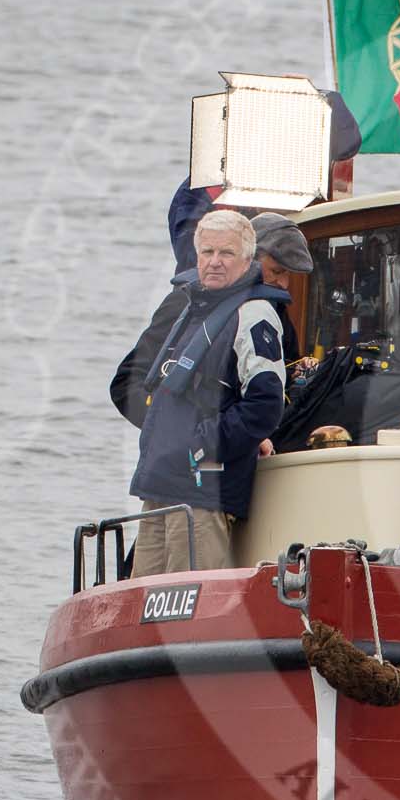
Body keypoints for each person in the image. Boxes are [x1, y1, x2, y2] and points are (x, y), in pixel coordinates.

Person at [125, 210, 288, 576]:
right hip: (158, 487)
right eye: (207, 252)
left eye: (226, 253)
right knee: (141, 600)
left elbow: (265, 405)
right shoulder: (191, 308)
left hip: (202, 494)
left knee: (185, 601)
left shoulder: (255, 313)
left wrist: (201, 445)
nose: (214, 262)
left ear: (248, 259)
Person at [250, 213, 314, 458]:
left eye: (288, 274)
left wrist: (298, 370)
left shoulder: (277, 311)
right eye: (276, 271)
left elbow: (288, 362)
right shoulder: (201, 306)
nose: (284, 283)